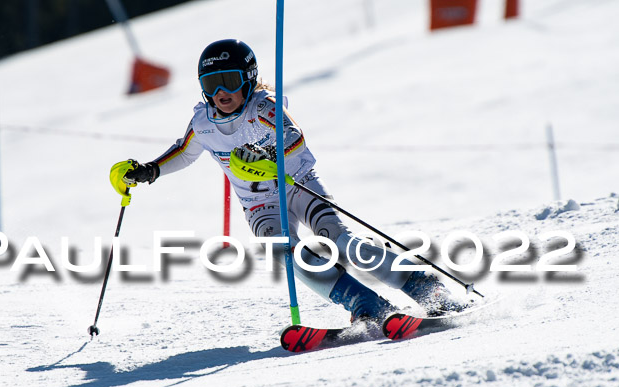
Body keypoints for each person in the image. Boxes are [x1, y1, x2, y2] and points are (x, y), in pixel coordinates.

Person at [114, 39, 466, 324]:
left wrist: (268, 159)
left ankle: (425, 286)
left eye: (230, 81)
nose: (221, 93)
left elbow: (295, 139)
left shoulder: (263, 108)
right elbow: (184, 152)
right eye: (211, 84)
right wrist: (149, 170)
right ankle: (367, 305)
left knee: (339, 241)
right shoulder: (203, 123)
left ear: (248, 79)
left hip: (299, 185)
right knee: (291, 256)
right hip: (259, 205)